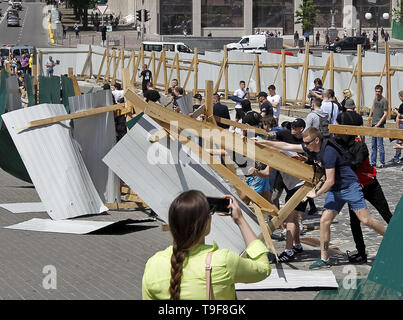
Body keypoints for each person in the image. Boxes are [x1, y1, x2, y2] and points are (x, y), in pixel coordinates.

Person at [255, 127, 386, 269]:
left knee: (366, 220)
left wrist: (315, 193)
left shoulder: (329, 152)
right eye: (304, 143)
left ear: (316, 140)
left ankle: (392, 238)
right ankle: (324, 259)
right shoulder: (311, 147)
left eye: (308, 143)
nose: (305, 146)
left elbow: (329, 181)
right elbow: (286, 145)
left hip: (350, 187)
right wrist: (263, 143)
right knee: (324, 221)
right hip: (336, 191)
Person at [142, 190, 271, 300]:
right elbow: (263, 268)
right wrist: (240, 220)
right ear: (205, 224)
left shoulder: (153, 264)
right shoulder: (224, 261)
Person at [370, 85, 388, 168]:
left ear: (381, 91)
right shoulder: (375, 99)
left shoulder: (384, 100)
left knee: (380, 145)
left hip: (380, 125)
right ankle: (373, 162)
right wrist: (371, 120)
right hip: (374, 124)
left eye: (379, 91)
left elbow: (385, 114)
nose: (377, 93)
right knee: (373, 145)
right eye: (376, 91)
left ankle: (382, 161)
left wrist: (378, 123)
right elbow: (374, 110)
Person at [390, 90, 403, 164]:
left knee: (399, 141)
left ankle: (397, 157)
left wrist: (396, 112)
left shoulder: (402, 105)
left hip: (401, 124)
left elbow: (400, 115)